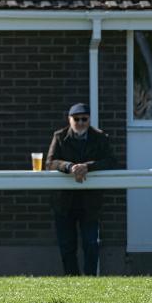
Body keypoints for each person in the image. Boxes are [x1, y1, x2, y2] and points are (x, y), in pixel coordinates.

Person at [46, 103, 117, 276]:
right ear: (69, 120)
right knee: (67, 246)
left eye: (84, 119)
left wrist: (87, 167)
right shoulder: (60, 136)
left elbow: (111, 161)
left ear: (89, 119)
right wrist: (70, 167)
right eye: (76, 119)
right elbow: (50, 162)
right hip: (64, 202)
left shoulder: (100, 137)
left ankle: (90, 283)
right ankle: (73, 282)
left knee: (91, 244)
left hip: (89, 203)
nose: (80, 122)